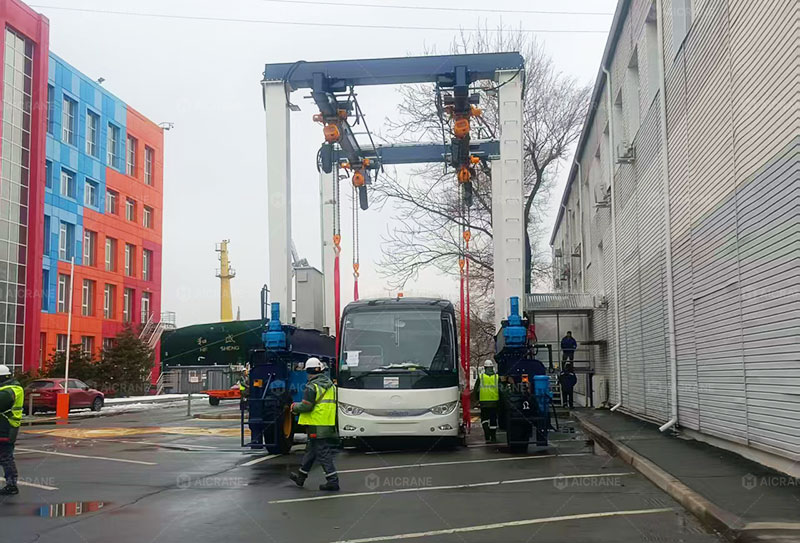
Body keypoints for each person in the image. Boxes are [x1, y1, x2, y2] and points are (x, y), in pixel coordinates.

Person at [289, 357, 339, 491]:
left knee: (323, 453)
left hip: (316, 424)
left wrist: (294, 407)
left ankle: (333, 481)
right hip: (327, 423)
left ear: (307, 371)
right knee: (311, 451)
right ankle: (301, 477)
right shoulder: (330, 385)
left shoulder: (312, 386)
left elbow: (307, 406)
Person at [0, 364, 23, 496]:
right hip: (5, 426)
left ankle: (12, 485)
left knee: (5, 457)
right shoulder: (8, 388)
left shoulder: (9, 391)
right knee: (5, 456)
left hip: (6, 428)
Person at [472, 360, 499, 443]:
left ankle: (487, 436)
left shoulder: (481, 377)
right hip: (494, 402)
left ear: (485, 367)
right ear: (492, 367)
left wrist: (476, 400)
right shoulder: (496, 377)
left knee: (484, 419)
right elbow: (501, 390)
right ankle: (493, 437)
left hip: (484, 402)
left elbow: (476, 390)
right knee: (493, 420)